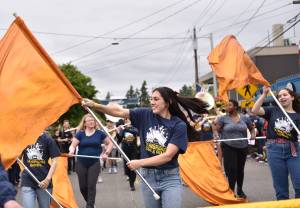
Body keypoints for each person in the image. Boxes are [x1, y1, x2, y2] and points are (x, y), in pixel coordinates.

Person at [82, 86, 208, 208]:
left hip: (170, 178)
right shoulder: (144, 114)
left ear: (168, 101)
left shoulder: (178, 125)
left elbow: (168, 156)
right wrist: (95, 105)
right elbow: (119, 111)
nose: (152, 102)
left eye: (156, 99)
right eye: (151, 99)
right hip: (148, 177)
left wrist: (140, 162)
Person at [252, 87, 300, 200]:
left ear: (292, 97)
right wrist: (264, 94)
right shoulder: (273, 110)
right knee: (281, 189)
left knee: (299, 185)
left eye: (285, 95)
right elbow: (254, 110)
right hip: (274, 150)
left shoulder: (298, 114)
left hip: (294, 151)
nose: (282, 97)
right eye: (279, 96)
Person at [69, 114, 113, 208]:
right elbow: (73, 145)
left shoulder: (100, 133)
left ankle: (90, 205)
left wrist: (106, 153)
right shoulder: (80, 134)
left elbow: (110, 144)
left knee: (91, 185)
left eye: (93, 120)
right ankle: (90, 202)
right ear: (84, 123)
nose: (91, 121)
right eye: (89, 120)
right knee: (82, 187)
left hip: (94, 162)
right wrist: (72, 151)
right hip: (81, 162)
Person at [214, 99, 255, 199]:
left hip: (243, 146)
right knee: (231, 169)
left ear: (235, 107)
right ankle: (231, 191)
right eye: (227, 105)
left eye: (229, 105)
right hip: (228, 146)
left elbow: (251, 128)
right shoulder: (223, 119)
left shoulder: (245, 118)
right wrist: (216, 135)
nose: (227, 107)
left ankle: (240, 190)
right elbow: (216, 129)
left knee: (240, 170)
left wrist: (253, 134)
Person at [21, 131, 60, 208]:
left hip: (44, 181)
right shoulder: (24, 138)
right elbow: (17, 157)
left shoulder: (48, 139)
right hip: (27, 180)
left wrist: (47, 179)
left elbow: (55, 161)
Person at [116, 118, 140, 191]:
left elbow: (135, 133)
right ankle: (130, 179)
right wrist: (118, 131)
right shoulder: (123, 130)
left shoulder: (135, 128)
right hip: (125, 151)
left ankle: (132, 184)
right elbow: (119, 139)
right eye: (126, 121)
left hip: (134, 150)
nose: (127, 122)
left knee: (133, 167)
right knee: (127, 168)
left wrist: (126, 129)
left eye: (128, 121)